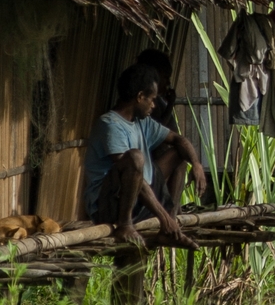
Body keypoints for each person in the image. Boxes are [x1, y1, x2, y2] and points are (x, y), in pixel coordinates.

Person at [81, 63, 205, 247]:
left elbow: (179, 140)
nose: (154, 105)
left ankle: (170, 226)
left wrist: (196, 165)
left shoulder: (142, 122)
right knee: (136, 158)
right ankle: (125, 225)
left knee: (180, 154)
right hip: (110, 206)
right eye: (152, 99)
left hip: (140, 202)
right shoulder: (110, 124)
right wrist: (162, 216)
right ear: (140, 97)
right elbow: (132, 173)